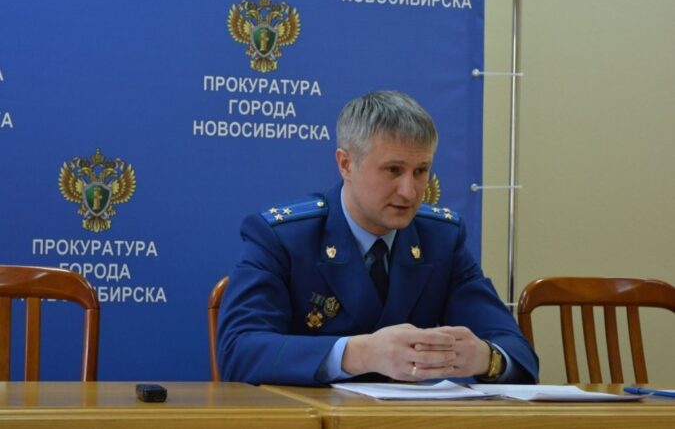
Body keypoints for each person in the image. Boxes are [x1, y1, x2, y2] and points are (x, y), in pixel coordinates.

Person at [217, 90, 538, 385]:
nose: (409, 191)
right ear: (346, 164)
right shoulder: (283, 237)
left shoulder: (441, 238)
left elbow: (518, 352)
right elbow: (239, 352)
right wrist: (361, 353)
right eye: (393, 170)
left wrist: (485, 357)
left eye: (421, 170)